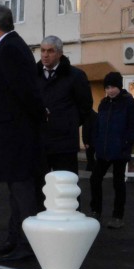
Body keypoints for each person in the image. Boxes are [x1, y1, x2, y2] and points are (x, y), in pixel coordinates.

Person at [0, 5, 45, 262]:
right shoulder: (11, 47)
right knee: (14, 189)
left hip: (16, 133)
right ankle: (13, 238)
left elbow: (25, 92)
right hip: (12, 130)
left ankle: (27, 244)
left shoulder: (10, 49)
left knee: (22, 190)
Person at [90, 72, 134, 229]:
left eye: (112, 87)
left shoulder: (129, 103)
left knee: (118, 183)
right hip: (103, 149)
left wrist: (125, 142)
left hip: (120, 150)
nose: (110, 90)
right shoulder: (104, 103)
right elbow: (98, 125)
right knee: (94, 179)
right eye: (107, 87)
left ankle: (118, 216)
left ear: (119, 87)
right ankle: (95, 211)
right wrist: (96, 142)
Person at [36, 35, 92, 175]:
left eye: (50, 51)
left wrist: (68, 123)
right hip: (39, 142)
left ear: (60, 53)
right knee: (39, 188)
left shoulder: (75, 76)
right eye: (42, 50)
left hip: (64, 144)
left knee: (66, 187)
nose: (45, 55)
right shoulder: (32, 75)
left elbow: (85, 106)